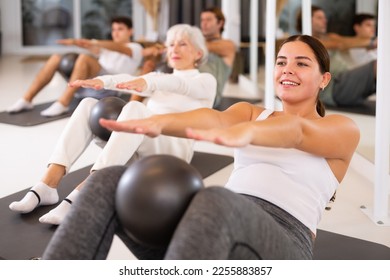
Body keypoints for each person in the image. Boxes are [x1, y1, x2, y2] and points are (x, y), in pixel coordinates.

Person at [42, 35, 360, 260]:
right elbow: (215, 119)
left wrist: (249, 133)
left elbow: (297, 132)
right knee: (108, 179)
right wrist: (155, 123)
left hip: (283, 244)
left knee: (216, 198)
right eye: (281, 62)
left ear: (324, 79)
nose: (287, 69)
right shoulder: (253, 112)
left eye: (301, 64)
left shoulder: (341, 129)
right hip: (206, 235)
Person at [8, 24, 216, 225]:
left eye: (182, 44)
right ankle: (47, 185)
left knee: (136, 109)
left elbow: (179, 84)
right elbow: (130, 78)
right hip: (138, 144)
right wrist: (103, 81)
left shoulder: (205, 80)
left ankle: (86, 192)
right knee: (88, 103)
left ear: (198, 54)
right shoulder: (158, 78)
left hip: (174, 150)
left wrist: (149, 82)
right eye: (170, 45)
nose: (174, 49)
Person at [7, 16, 158, 117]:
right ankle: (26, 99)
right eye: (113, 29)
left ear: (130, 31)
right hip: (85, 85)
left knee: (85, 59)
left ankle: (63, 103)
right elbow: (92, 47)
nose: (116, 33)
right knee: (56, 58)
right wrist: (76, 42)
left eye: (120, 29)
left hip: (106, 89)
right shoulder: (105, 48)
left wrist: (94, 43)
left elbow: (118, 48)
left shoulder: (135, 48)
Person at [297, 6, 377, 107]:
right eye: (320, 17)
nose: (325, 20)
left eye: (325, 17)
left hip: (344, 80)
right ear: (308, 20)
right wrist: (372, 42)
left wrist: (370, 43)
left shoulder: (329, 36)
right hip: (333, 88)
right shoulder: (305, 42)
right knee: (378, 65)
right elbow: (340, 44)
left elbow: (344, 41)